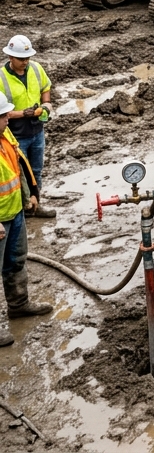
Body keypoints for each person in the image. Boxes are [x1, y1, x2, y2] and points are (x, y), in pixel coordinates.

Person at [0, 95, 52, 346]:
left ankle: (19, 305)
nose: (7, 118)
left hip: (14, 211)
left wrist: (31, 193)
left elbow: (19, 165)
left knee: (16, 260)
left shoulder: (6, 136)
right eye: (2, 116)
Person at [1, 36, 55, 218]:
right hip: (14, 134)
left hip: (37, 130)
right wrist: (24, 113)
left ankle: (35, 204)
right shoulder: (1, 78)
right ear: (10, 57)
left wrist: (46, 104)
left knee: (36, 170)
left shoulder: (36, 69)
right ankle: (21, 209)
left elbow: (45, 88)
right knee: (19, 173)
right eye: (21, 59)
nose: (25, 62)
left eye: (27, 58)